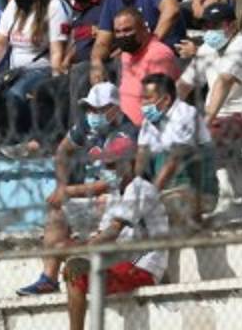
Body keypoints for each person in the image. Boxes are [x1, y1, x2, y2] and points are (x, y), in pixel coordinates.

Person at [16, 82, 138, 297]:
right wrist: (61, 186)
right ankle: (48, 279)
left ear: (114, 108)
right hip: (94, 198)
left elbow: (111, 182)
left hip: (119, 200)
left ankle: (79, 257)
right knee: (57, 210)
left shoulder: (126, 135)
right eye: (90, 108)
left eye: (99, 109)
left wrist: (68, 192)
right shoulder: (88, 125)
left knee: (76, 200)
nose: (92, 114)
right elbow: (63, 151)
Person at [63, 136, 169, 328]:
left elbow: (113, 231)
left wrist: (82, 251)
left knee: (77, 275)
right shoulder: (115, 193)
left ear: (129, 163)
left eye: (112, 165)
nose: (108, 170)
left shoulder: (139, 189)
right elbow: (102, 233)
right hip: (122, 263)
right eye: (106, 165)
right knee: (73, 272)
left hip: (143, 267)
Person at [177, 2, 242, 201]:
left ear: (233, 25)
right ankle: (187, 193)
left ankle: (209, 196)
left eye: (216, 25)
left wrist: (206, 123)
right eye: (207, 26)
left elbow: (224, 82)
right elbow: (184, 85)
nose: (210, 30)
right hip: (219, 121)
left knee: (207, 134)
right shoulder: (206, 49)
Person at [0, 0, 71, 144]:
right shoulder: (14, 5)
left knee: (15, 95)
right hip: (15, 70)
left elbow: (57, 50)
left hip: (42, 69)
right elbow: (0, 42)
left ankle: (20, 140)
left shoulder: (55, 6)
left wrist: (56, 82)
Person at [136, 73, 217, 234]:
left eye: (148, 98)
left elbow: (174, 159)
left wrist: (149, 196)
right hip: (165, 190)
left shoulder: (185, 114)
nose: (143, 104)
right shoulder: (150, 121)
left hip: (196, 192)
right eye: (142, 99)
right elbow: (141, 156)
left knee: (149, 214)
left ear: (166, 99)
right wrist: (135, 189)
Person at [90, 0, 185, 85]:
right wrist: (96, 62)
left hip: (166, 53)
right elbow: (102, 42)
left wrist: (151, 44)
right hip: (130, 57)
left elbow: (172, 10)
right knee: (82, 70)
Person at [107, 8, 180, 126]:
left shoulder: (158, 54)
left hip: (147, 128)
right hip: (122, 124)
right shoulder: (126, 53)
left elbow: (161, 103)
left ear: (144, 30)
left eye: (127, 30)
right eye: (118, 32)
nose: (122, 36)